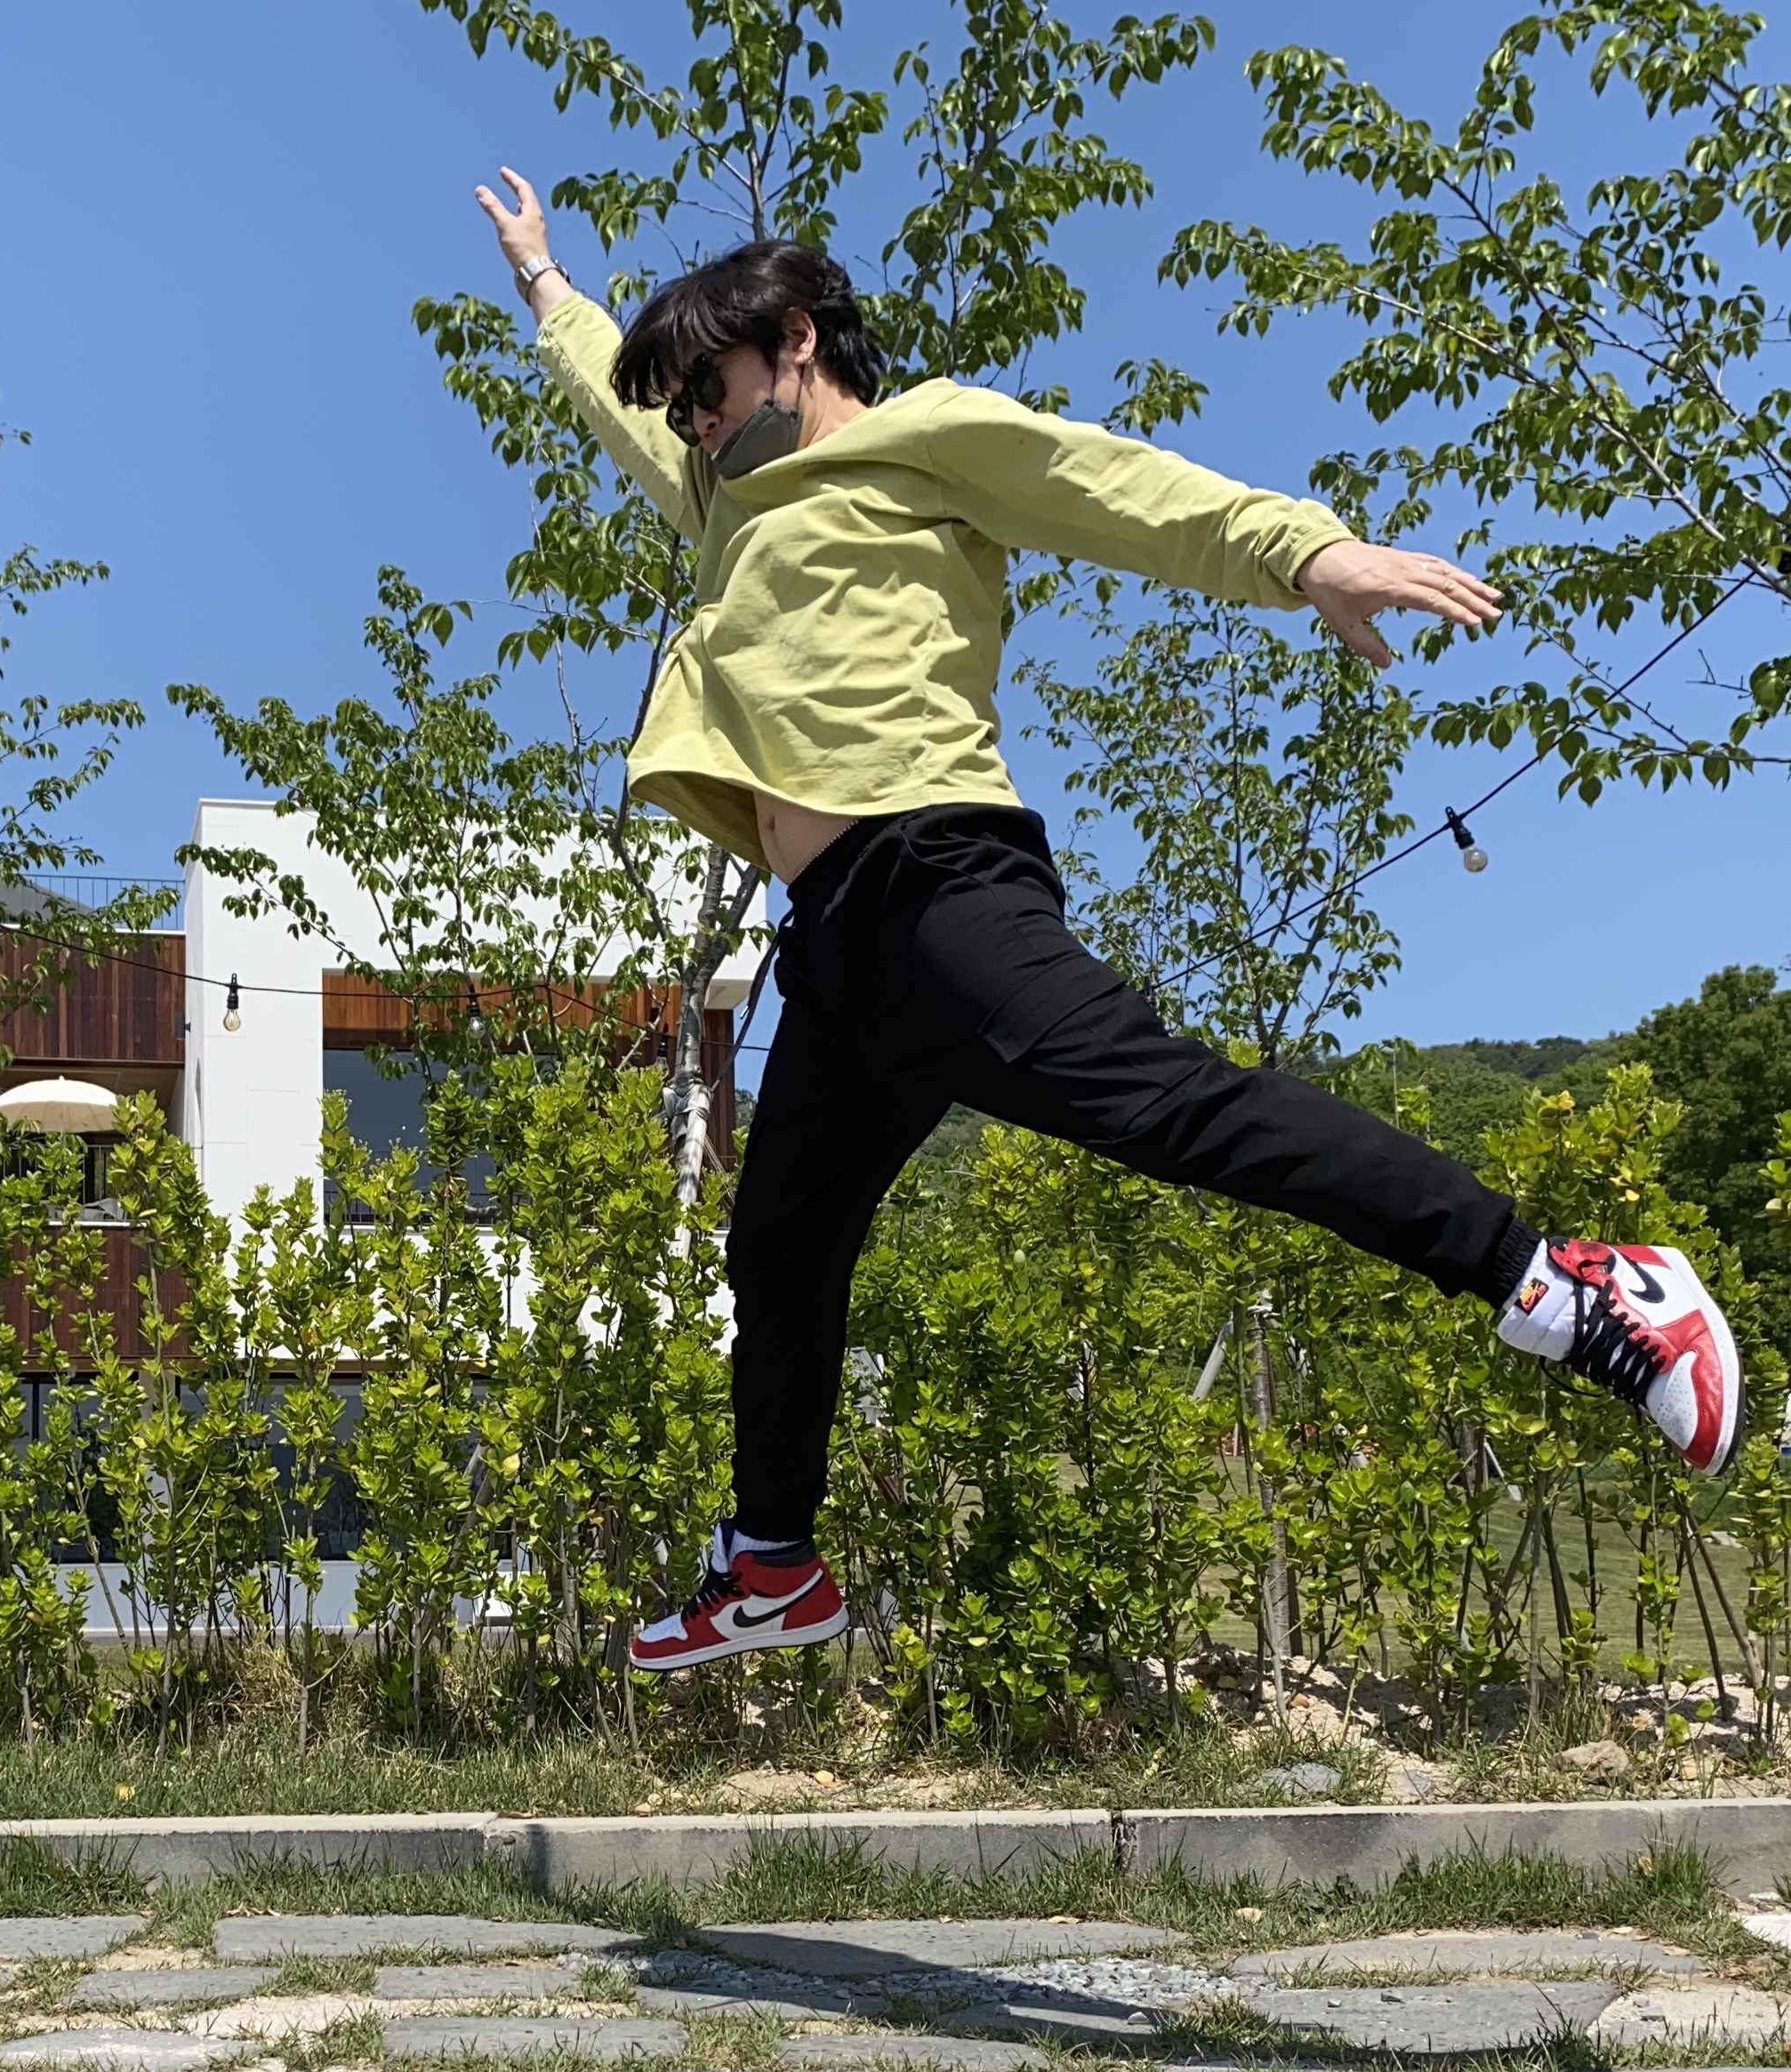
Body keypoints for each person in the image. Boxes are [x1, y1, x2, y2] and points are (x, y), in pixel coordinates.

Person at [470, 171, 1747, 1675]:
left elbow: (1114, 486)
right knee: (779, 1247)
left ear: (794, 341)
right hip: (834, 945)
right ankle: (773, 1562)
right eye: (676, 406)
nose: (686, 419)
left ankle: (1577, 1291)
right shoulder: (721, 497)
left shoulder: (918, 438)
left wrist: (1301, 552)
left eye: (705, 386)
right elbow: (612, 412)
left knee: (1171, 1114)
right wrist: (548, 288)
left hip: (932, 878)